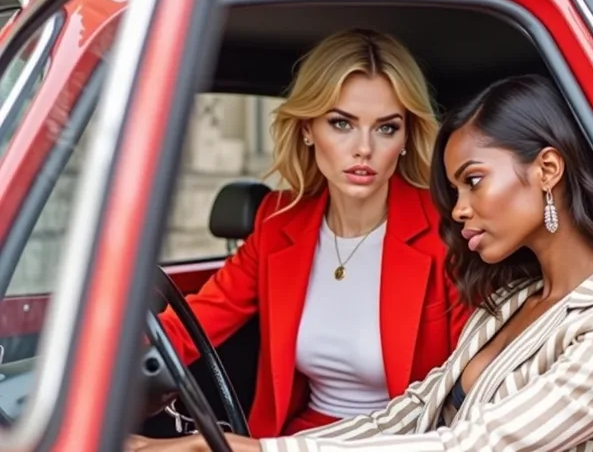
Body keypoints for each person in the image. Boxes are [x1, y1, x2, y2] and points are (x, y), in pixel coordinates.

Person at [128, 74, 593, 452]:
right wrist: (243, 445)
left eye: (473, 181)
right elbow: (410, 412)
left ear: (548, 168)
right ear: (308, 131)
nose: (457, 211)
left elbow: (470, 444)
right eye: (342, 124)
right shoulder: (512, 301)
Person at [154, 28, 471, 439]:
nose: (363, 148)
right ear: (307, 129)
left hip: (403, 442)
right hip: (295, 439)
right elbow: (194, 324)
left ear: (407, 137)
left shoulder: (449, 230)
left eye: (386, 128)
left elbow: (476, 381)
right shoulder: (279, 222)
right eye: (341, 123)